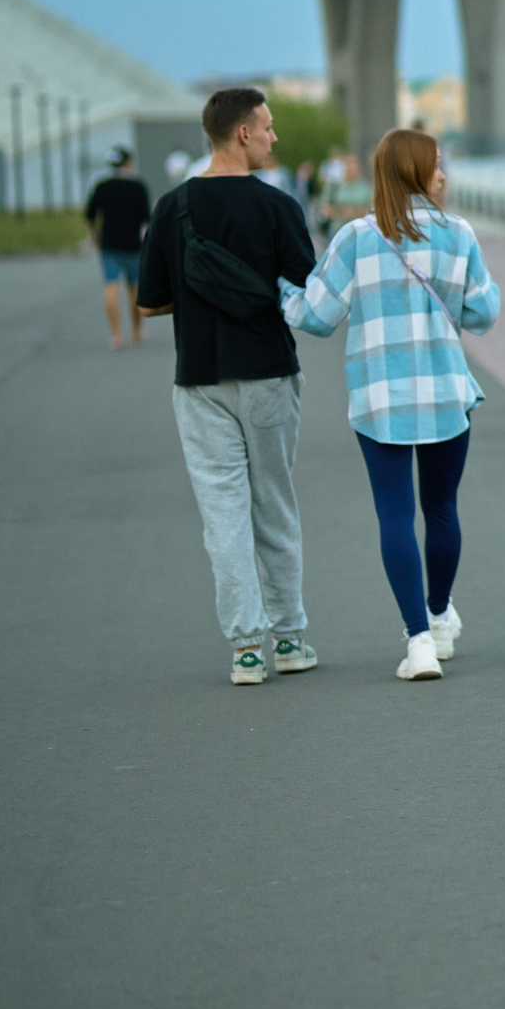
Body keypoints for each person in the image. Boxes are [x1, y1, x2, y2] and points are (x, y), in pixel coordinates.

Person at [284, 128, 500, 683]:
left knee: (395, 515)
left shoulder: (356, 237)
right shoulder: (459, 235)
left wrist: (281, 295)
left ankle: (420, 641)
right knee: (443, 509)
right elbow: (482, 313)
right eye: (435, 166)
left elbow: (317, 315)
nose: (444, 175)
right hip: (446, 395)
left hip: (381, 399)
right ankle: (439, 611)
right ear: (414, 173)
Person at [136, 89, 319, 684]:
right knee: (275, 504)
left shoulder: (172, 208)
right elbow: (307, 288)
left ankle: (246, 650)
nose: (273, 138)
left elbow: (152, 303)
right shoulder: (278, 206)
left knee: (223, 515)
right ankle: (290, 640)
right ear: (242, 133)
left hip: (199, 379)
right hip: (267, 372)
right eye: (266, 128)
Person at [85, 147, 154, 350]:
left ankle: (116, 334)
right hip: (133, 245)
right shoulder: (138, 187)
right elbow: (146, 219)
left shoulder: (102, 186)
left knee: (111, 286)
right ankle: (137, 330)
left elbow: (91, 215)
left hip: (109, 244)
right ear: (129, 163)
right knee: (134, 288)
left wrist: (95, 237)